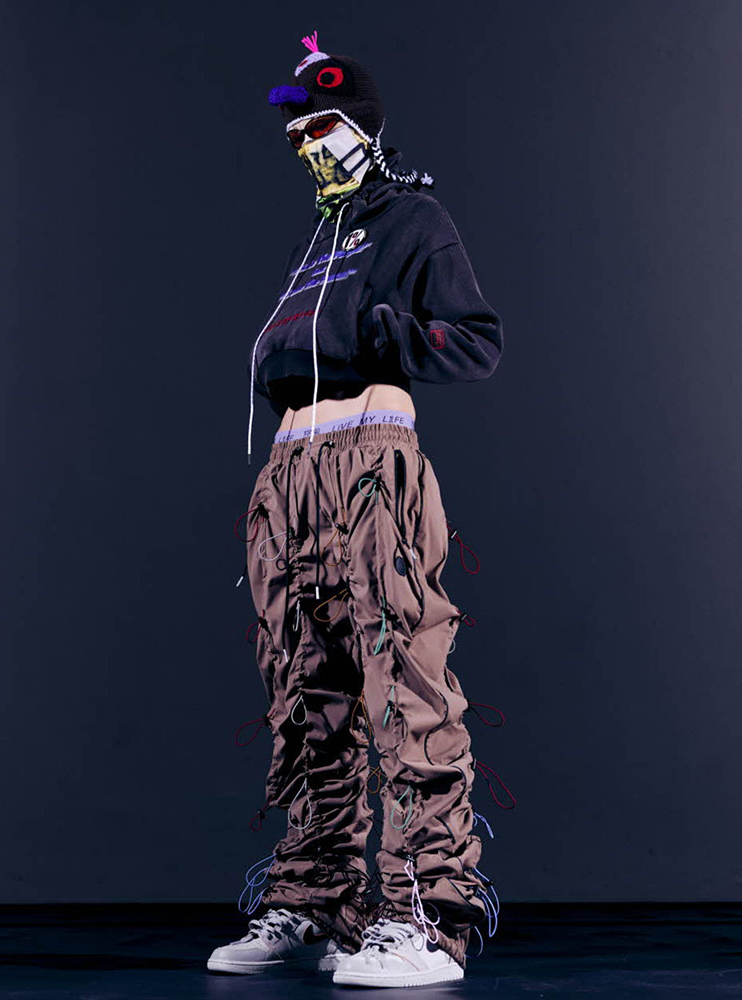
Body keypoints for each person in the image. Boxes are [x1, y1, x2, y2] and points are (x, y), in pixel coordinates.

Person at [207, 30, 503, 988]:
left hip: (370, 464)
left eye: (321, 125)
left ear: (363, 124)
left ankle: (425, 915)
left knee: (401, 677)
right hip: (290, 476)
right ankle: (316, 897)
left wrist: (384, 330)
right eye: (297, 134)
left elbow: (476, 340)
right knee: (308, 692)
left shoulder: (413, 219)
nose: (307, 143)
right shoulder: (317, 242)